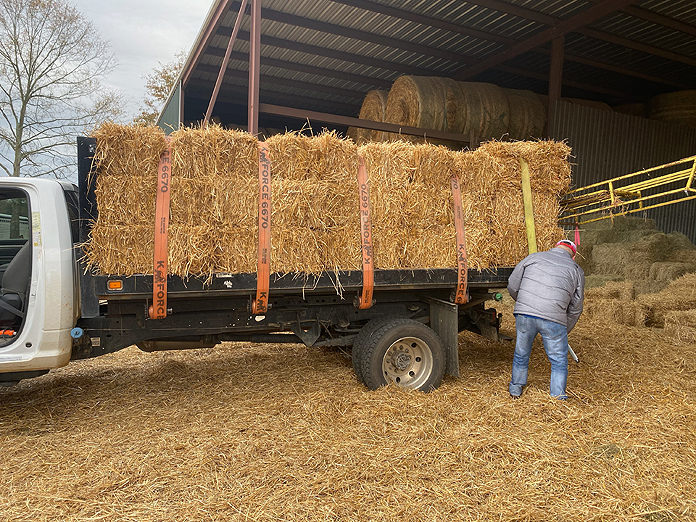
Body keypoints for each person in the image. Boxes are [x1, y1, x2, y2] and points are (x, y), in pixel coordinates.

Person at [507, 239, 585, 400]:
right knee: (559, 360)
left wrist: (524, 303)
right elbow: (576, 307)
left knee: (521, 352)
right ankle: (557, 397)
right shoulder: (576, 270)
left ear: (555, 247)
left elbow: (512, 284)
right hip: (554, 318)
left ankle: (515, 389)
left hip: (525, 314)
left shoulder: (533, 257)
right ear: (573, 256)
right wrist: (565, 327)